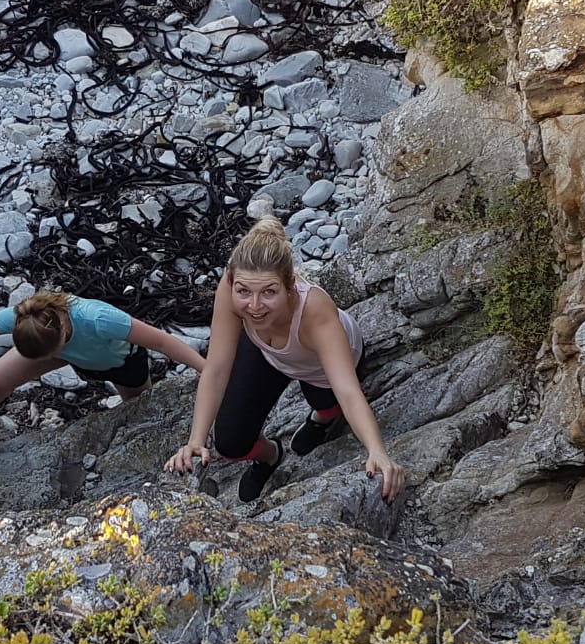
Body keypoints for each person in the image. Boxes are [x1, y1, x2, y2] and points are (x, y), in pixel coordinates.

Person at [164, 216, 406, 503]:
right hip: (268, 351)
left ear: (290, 286)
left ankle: (323, 419)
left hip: (320, 363)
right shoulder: (233, 289)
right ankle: (270, 455)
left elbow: (348, 390)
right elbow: (216, 369)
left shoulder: (315, 313)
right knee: (230, 442)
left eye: (269, 292)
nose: (254, 306)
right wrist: (195, 440)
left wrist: (377, 450)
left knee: (325, 401)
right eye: (244, 292)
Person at [0, 291, 206, 415]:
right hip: (68, 353)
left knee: (138, 407)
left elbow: (162, 342)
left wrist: (207, 370)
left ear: (62, 332)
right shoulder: (27, 316)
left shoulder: (100, 319)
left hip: (119, 362)